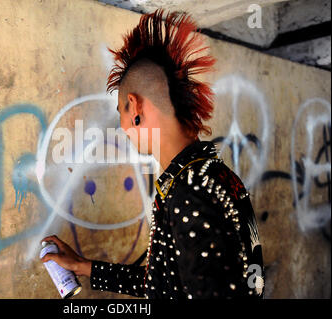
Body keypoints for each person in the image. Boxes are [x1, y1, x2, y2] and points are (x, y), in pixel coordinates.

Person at [41, 9, 264, 299]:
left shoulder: (189, 189)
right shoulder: (211, 174)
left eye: (120, 110)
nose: (121, 127)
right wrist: (84, 267)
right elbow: (164, 283)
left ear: (135, 107)